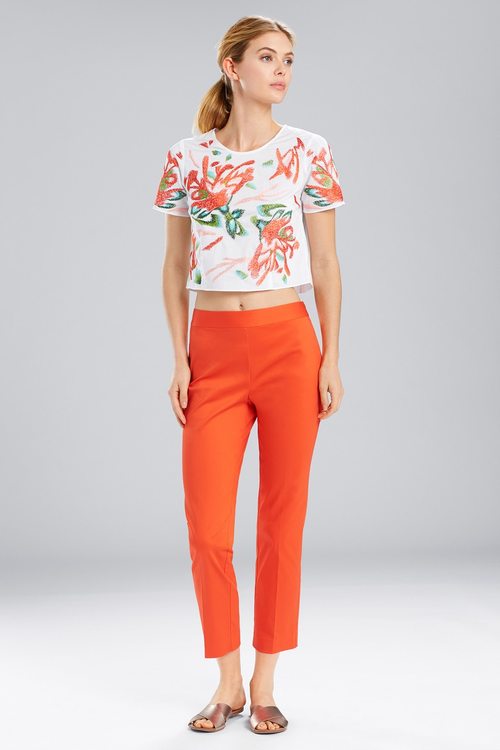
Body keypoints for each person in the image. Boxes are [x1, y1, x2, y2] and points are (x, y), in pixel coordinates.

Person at [152, 15, 345, 735]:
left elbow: (324, 263)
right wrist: (180, 357)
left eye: (289, 58)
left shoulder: (308, 151)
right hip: (214, 349)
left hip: (289, 344)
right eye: (267, 57)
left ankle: (264, 682)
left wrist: (331, 356)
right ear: (231, 66)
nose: (282, 70)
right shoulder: (186, 158)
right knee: (207, 528)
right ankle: (225, 681)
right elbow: (175, 265)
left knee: (280, 522)